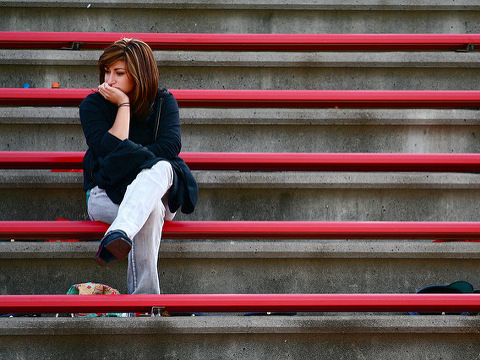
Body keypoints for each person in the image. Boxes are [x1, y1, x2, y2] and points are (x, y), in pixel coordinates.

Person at [79, 38, 198, 295]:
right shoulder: (93, 105)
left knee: (165, 168)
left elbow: (169, 148)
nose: (110, 80)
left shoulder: (164, 103)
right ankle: (145, 304)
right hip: (105, 193)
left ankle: (120, 231)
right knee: (150, 209)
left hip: (155, 190)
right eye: (107, 72)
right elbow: (107, 150)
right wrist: (123, 106)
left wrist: (128, 158)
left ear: (140, 74)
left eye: (119, 73)